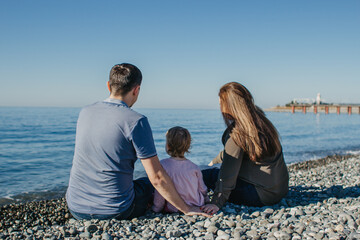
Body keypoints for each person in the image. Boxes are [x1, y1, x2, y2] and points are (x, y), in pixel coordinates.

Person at [66, 63, 209, 220]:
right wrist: (186, 209)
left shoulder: (85, 112)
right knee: (149, 184)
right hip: (116, 210)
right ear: (136, 90)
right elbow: (157, 177)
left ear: (108, 85)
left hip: (75, 207)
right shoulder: (136, 121)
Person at [201, 82, 289, 215]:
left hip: (260, 195)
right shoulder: (261, 122)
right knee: (212, 168)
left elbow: (227, 176)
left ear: (230, 106)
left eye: (221, 104)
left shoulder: (237, 134)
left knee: (206, 175)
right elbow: (231, 154)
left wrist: (216, 202)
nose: (220, 109)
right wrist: (215, 160)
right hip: (280, 189)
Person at [152, 127, 209, 213]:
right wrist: (207, 201)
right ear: (188, 146)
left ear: (168, 146)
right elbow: (203, 189)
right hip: (197, 204)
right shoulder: (194, 167)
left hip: (175, 207)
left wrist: (156, 208)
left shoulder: (163, 165)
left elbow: (161, 190)